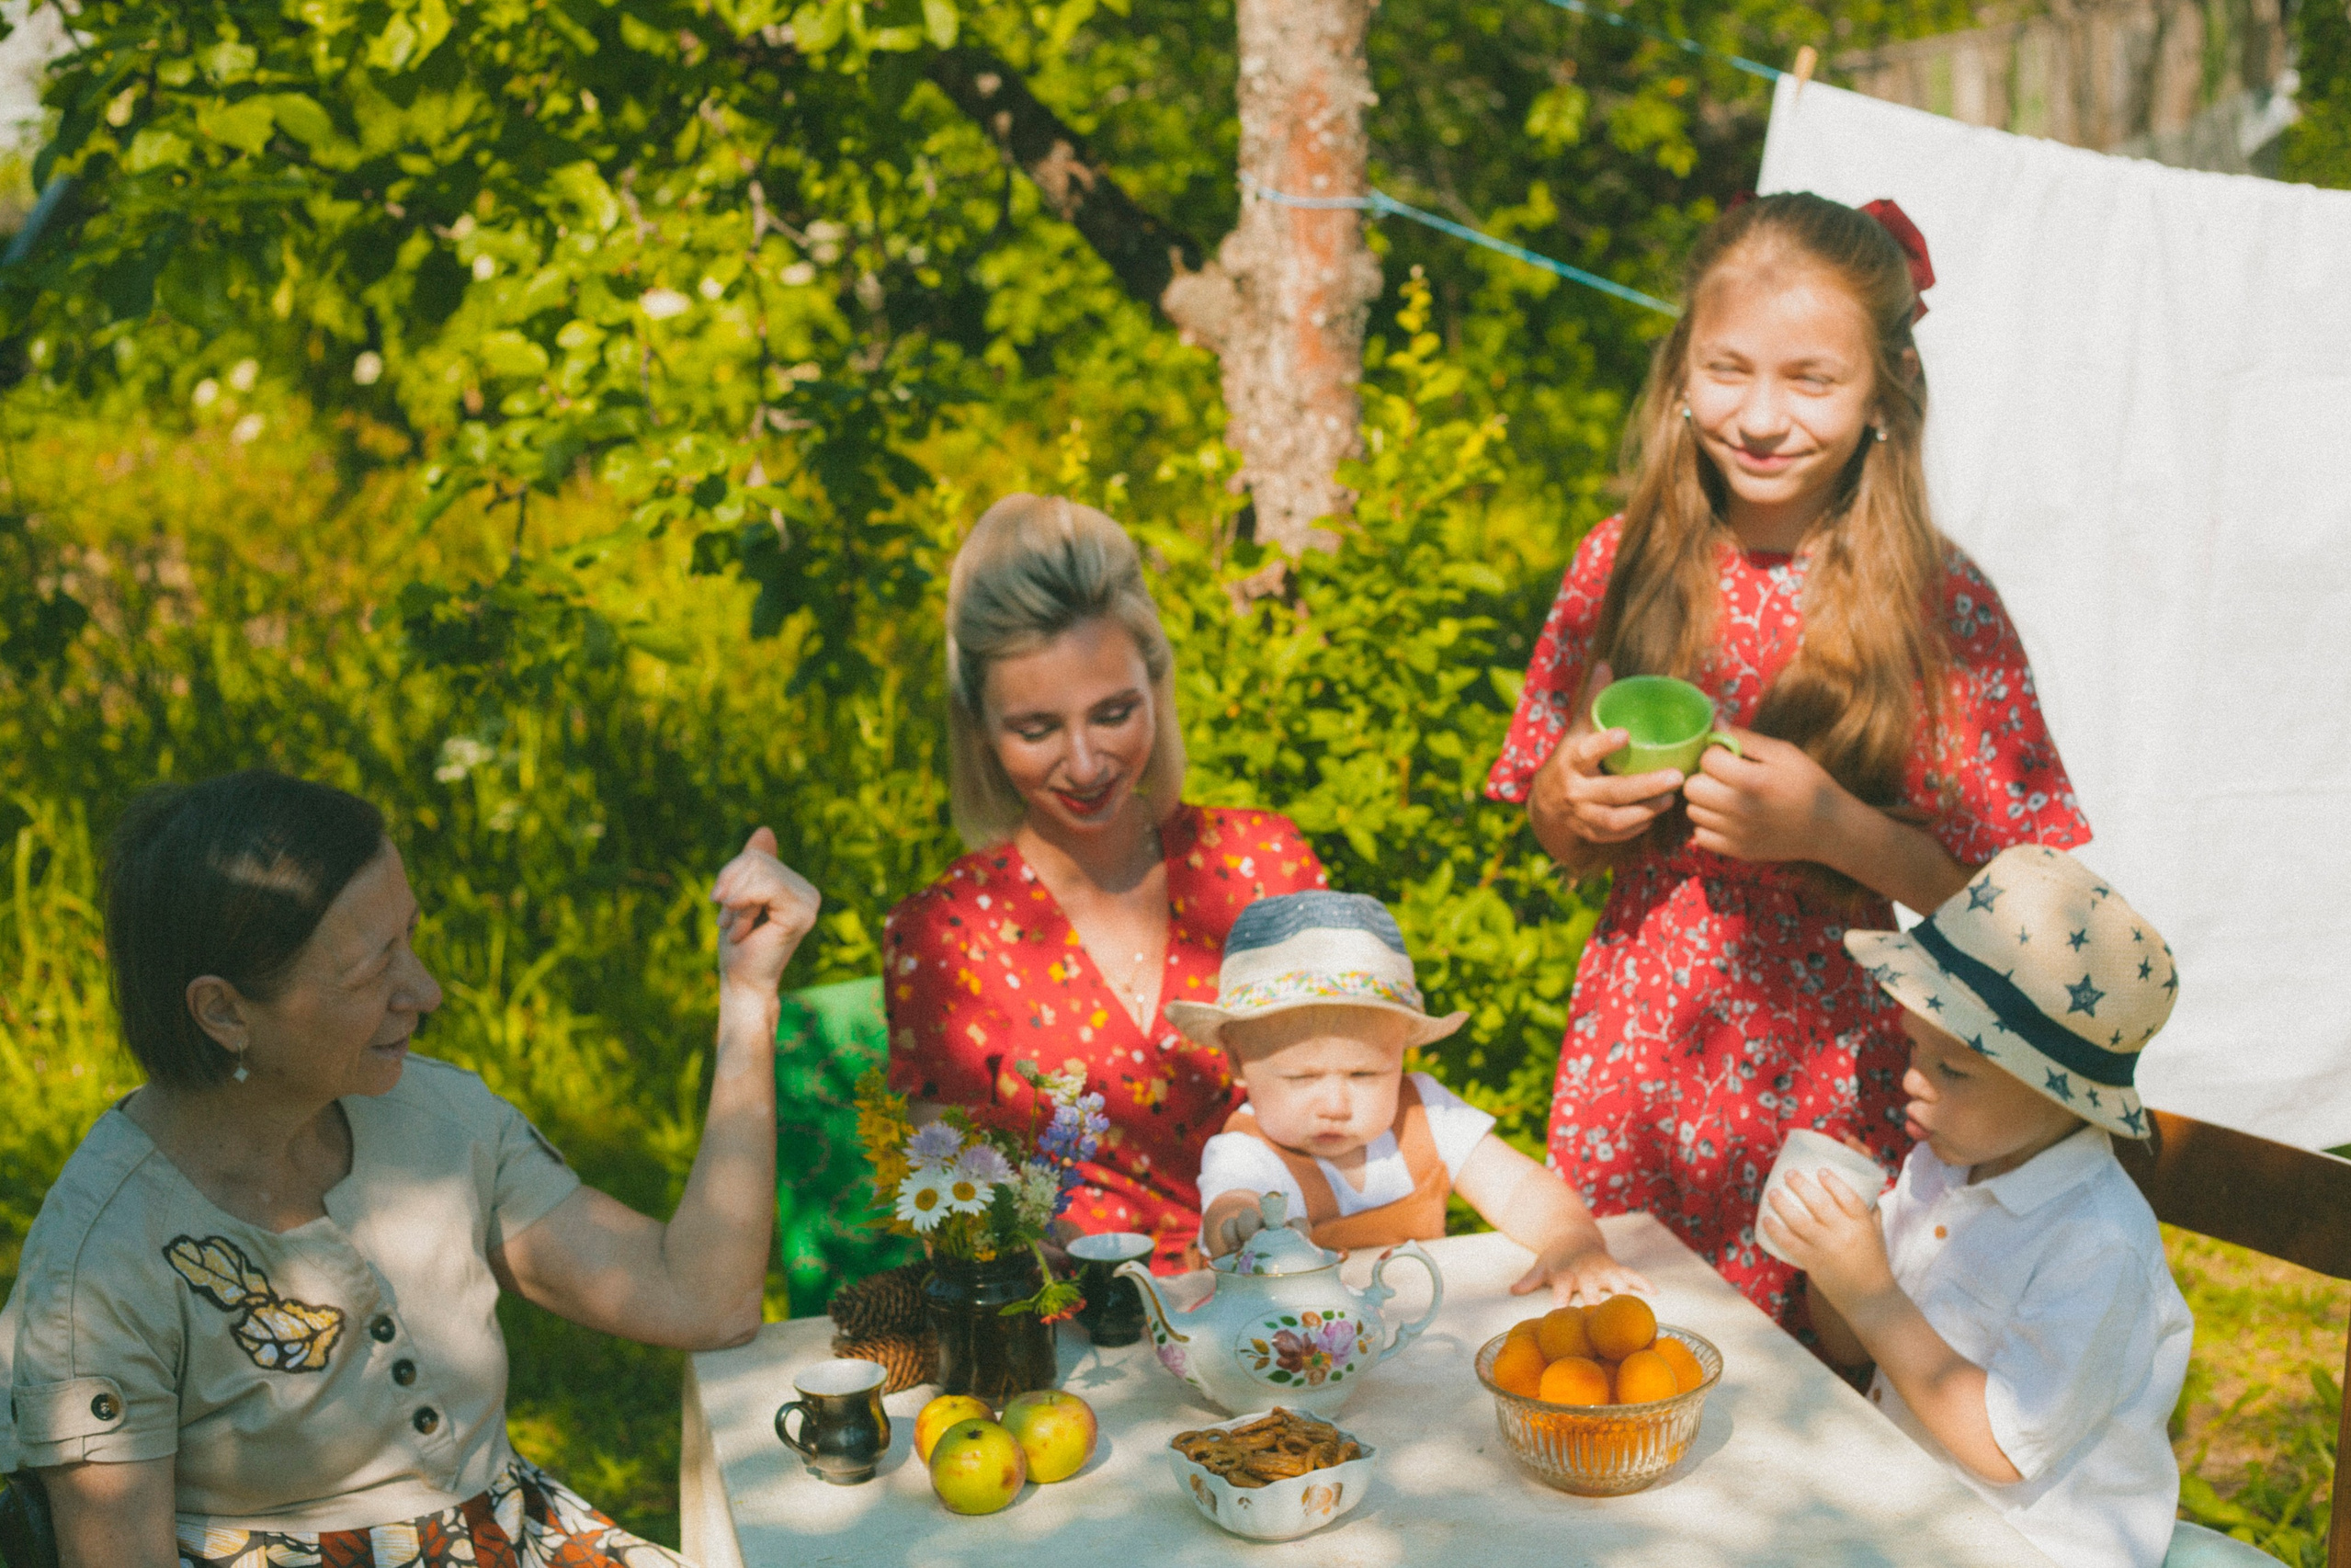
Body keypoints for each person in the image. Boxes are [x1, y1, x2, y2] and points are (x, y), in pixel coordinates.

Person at [1483, 192, 2091, 1325]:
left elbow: (2025, 917)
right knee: (1619, 1353)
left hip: (1830, 1067)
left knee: (1804, 1397)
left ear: (1880, 396)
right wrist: (1567, 802)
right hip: (1634, 1055)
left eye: (1809, 379)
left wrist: (1831, 829)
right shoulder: (1617, 564)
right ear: (1677, 375)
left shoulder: (1935, 605)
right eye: (1727, 370)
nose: (1760, 417)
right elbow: (1552, 828)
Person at [0, 769, 818, 1568]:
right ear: (223, 1011)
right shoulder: (99, 1272)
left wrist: (749, 997)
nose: (423, 991)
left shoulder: (436, 1118)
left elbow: (699, 1299)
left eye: (409, 940)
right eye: (370, 971)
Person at [884, 494, 1328, 1273]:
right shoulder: (946, 936)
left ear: (1158, 689)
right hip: (1081, 1352)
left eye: (1115, 712)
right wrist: (1016, 1252)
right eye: (1037, 729)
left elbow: (1371, 1104)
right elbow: (946, 1197)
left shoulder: (1265, 867)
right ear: (980, 732)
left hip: (1294, 1306)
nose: (1086, 764)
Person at [1762, 846, 2190, 1568]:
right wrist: (1832, 1258)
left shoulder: (2096, 1243)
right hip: (1906, 1511)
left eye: (1951, 1069)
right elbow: (1850, 1345)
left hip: (2034, 1546)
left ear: (2058, 1089)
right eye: (1913, 1050)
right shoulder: (1941, 1167)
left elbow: (2001, 1449)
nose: (1910, 1082)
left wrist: (1871, 1295)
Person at [1173, 892, 1649, 1304]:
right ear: (1237, 1062)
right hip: (1303, 1355)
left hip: (1424, 1338)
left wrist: (1572, 1241)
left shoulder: (1423, 1113)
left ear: (1402, 1053)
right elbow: (1232, 1203)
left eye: (1365, 1072)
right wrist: (1240, 1229)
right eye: (1301, 1077)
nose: (1336, 1103)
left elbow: (1518, 1187)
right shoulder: (1249, 1152)